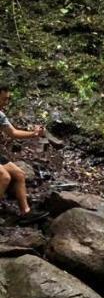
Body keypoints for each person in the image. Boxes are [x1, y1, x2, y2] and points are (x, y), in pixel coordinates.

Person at [0, 84, 53, 222]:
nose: (6, 103)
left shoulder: (0, 115)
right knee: (4, 176)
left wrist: (34, 134)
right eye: (3, 99)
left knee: (19, 174)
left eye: (7, 99)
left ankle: (26, 212)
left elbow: (13, 133)